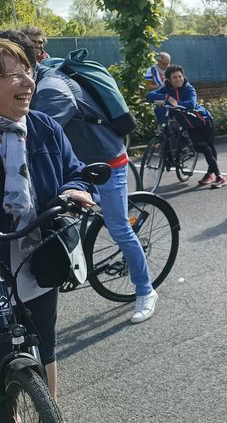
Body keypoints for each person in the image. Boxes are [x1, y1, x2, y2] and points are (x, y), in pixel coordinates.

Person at [10, 29, 162, 326]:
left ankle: (146, 290)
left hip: (106, 160)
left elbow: (33, 134)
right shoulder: (38, 80)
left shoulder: (52, 89)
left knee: (118, 226)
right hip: (79, 161)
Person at [0, 39, 98, 423]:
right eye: (12, 74)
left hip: (38, 254)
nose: (27, 81)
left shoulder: (44, 127)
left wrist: (75, 190)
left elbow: (75, 171)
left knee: (45, 340)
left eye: (28, 71)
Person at [146, 65, 227, 188]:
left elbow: (191, 104)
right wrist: (167, 98)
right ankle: (213, 174)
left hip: (203, 121)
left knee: (208, 147)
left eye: (180, 76)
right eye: (175, 77)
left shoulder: (189, 89)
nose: (178, 79)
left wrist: (176, 103)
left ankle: (217, 176)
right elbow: (150, 95)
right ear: (169, 80)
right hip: (189, 126)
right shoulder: (167, 89)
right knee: (201, 147)